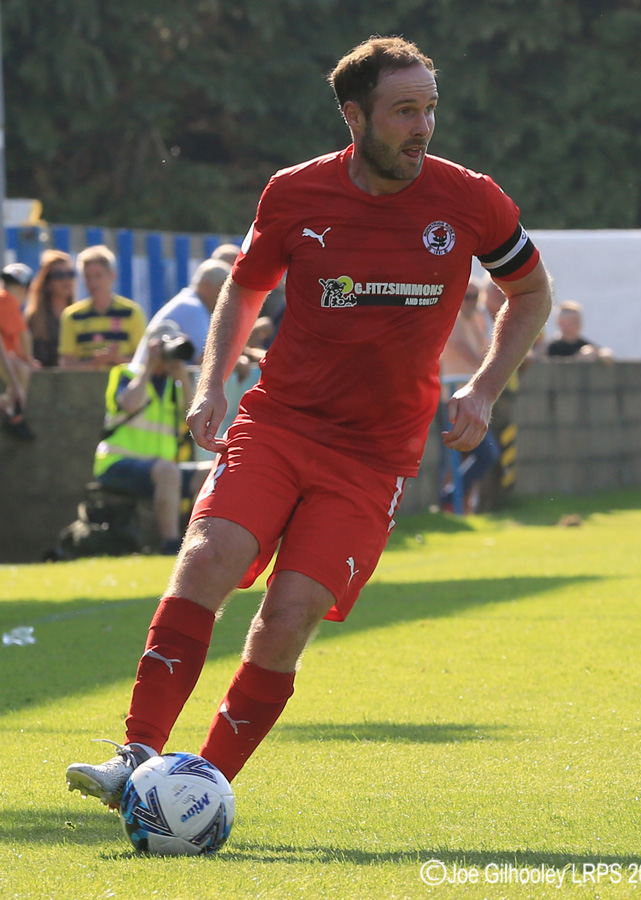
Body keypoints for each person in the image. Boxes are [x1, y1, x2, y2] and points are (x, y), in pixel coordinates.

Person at [66, 36, 551, 807]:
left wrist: (485, 390)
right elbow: (244, 287)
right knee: (205, 560)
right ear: (354, 116)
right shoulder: (294, 192)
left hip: (373, 456)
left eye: (429, 108)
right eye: (403, 111)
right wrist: (211, 383)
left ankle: (199, 791)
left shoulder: (470, 199)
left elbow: (530, 295)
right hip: (279, 423)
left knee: (288, 617)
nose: (421, 127)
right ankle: (136, 754)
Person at [92, 320, 213, 556]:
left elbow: (194, 417)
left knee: (212, 472)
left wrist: (182, 376)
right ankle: (170, 545)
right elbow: (128, 403)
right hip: (116, 464)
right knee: (168, 471)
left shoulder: (174, 384)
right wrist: (148, 367)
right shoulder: (126, 373)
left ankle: (199, 541)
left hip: (163, 470)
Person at [439, 276, 500, 512]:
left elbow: (488, 349)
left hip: (471, 398)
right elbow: (467, 351)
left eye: (476, 297)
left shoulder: (476, 320)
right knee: (476, 454)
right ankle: (448, 500)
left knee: (481, 454)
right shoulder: (453, 318)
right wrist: (491, 370)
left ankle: (449, 499)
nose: (471, 302)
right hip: (452, 398)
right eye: (467, 297)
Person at [131, 259, 231, 368]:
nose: (226, 298)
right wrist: (238, 363)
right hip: (148, 380)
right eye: (223, 290)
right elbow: (208, 357)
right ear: (206, 286)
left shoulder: (190, 304)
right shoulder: (192, 307)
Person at [59, 245, 146, 369]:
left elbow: (143, 361)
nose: (93, 282)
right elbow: (66, 364)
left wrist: (117, 360)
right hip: (84, 387)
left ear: (112, 275)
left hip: (123, 386)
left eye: (98, 275)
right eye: (88, 277)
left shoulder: (132, 312)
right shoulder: (72, 315)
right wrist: (95, 362)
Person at [0, 263, 39, 439]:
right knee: (23, 369)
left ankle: (10, 408)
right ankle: (15, 414)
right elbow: (24, 336)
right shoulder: (6, 300)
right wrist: (29, 359)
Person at [24, 250, 76, 368]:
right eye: (59, 275)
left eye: (70, 274)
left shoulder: (79, 314)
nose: (66, 280)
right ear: (47, 282)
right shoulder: (35, 318)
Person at [547, 300, 613, 361]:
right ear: (560, 322)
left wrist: (602, 355)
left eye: (579, 320)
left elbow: (603, 353)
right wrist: (577, 359)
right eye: (574, 321)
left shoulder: (583, 344)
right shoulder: (551, 347)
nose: (578, 324)